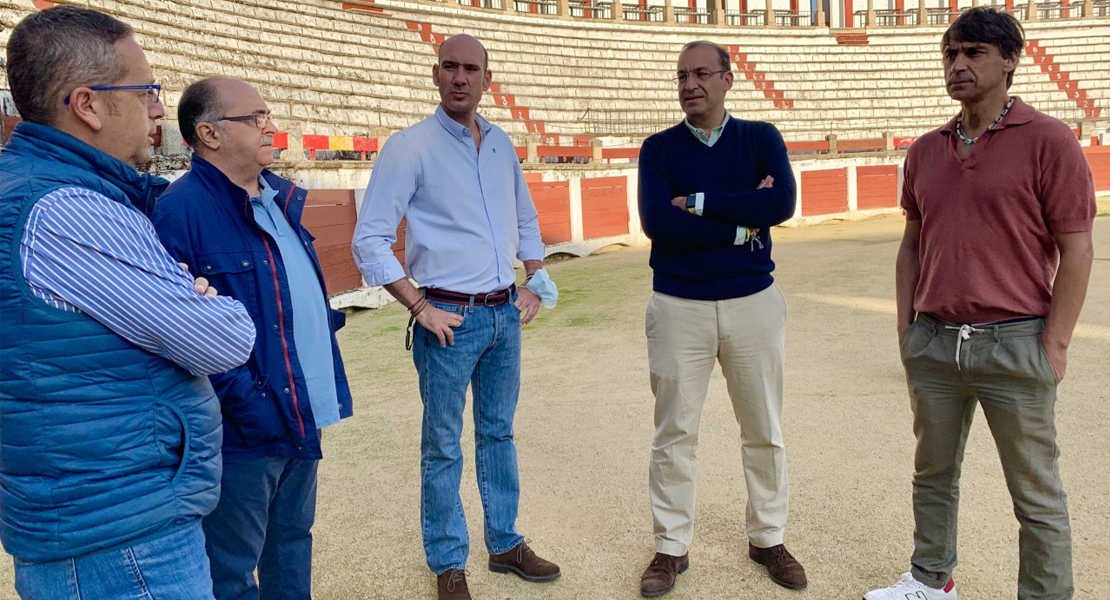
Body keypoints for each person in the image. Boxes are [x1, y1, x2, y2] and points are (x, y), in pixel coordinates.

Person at [0, 7, 256, 600]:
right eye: (146, 92)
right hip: (120, 532)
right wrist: (197, 297)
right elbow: (223, 339)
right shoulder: (69, 209)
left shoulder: (33, 186)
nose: (160, 110)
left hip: (92, 518)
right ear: (88, 104)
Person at [865, 8, 1095, 600]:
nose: (958, 65)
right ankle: (929, 581)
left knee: (1036, 494)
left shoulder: (1049, 140)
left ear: (1010, 59)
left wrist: (1055, 345)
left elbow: (1077, 248)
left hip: (1016, 340)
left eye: (973, 53)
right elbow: (911, 246)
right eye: (950, 54)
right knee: (932, 477)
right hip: (936, 341)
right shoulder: (925, 150)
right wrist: (906, 331)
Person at [351, 33, 559, 600]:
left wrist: (536, 282)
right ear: (435, 74)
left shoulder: (500, 143)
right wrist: (419, 306)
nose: (460, 77)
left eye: (471, 68)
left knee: (499, 433)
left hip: (503, 316)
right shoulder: (409, 146)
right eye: (450, 67)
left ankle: (505, 543)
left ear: (487, 79)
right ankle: (448, 563)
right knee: (442, 444)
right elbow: (368, 240)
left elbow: (526, 218)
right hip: (447, 319)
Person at [151, 78, 354, 600]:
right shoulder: (181, 211)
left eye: (268, 114)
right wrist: (253, 402)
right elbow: (178, 334)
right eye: (254, 117)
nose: (270, 125)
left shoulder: (276, 197)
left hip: (299, 410)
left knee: (292, 543)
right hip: (243, 431)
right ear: (208, 133)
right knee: (233, 570)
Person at [636, 40, 805, 597]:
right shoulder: (658, 149)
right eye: (682, 75)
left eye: (702, 73)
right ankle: (670, 547)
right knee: (674, 432)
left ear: (728, 79)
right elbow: (660, 222)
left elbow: (779, 204)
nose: (690, 85)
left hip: (752, 301)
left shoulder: (760, 137)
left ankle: (768, 536)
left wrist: (700, 202)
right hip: (678, 304)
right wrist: (739, 222)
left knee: (764, 427)